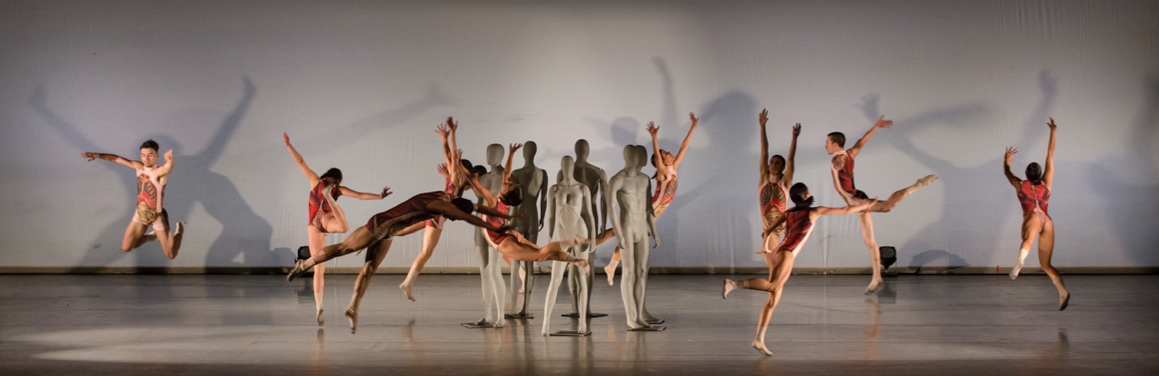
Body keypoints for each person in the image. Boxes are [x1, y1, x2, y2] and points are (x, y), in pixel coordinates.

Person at [287, 187, 512, 334]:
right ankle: (305, 264)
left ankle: (353, 308)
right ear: (451, 209)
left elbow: (474, 208)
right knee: (344, 248)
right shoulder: (442, 205)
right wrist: (494, 226)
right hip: (380, 225)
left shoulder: (448, 197)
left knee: (369, 269)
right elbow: (466, 215)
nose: (450, 219)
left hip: (389, 232)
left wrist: (506, 217)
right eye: (451, 216)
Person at [723, 183, 877, 356]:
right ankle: (734, 284)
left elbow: (767, 230)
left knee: (772, 302)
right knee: (773, 286)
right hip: (787, 254)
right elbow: (846, 210)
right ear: (806, 195)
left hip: (779, 252)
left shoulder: (789, 213)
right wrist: (867, 204)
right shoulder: (814, 212)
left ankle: (759, 339)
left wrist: (765, 247)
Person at [283, 132, 390, 325]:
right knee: (343, 227)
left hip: (314, 223)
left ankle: (319, 307)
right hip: (325, 219)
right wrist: (379, 197)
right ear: (336, 180)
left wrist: (289, 146)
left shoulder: (316, 181)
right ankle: (319, 308)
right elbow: (359, 195)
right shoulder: (336, 188)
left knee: (318, 268)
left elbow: (301, 163)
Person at [825, 115, 938, 294]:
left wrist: (839, 163)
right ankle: (877, 276)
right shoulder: (849, 154)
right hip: (856, 199)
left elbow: (846, 157)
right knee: (870, 241)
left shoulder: (839, 159)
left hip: (857, 201)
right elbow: (861, 142)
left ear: (835, 144)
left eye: (827, 142)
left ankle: (917, 185)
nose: (826, 145)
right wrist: (876, 126)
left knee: (887, 207)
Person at [602, 113, 700, 288]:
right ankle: (605, 259)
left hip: (653, 212)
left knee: (623, 234)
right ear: (662, 161)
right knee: (625, 235)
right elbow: (656, 153)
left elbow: (684, 146)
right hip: (649, 210)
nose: (671, 153)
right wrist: (654, 137)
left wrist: (693, 127)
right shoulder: (663, 172)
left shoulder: (673, 167)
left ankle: (605, 259)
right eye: (666, 153)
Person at [397, 118, 475, 302]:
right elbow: (452, 156)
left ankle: (378, 235)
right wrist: (451, 135)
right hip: (437, 216)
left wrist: (444, 140)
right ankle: (407, 283)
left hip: (432, 213)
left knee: (401, 232)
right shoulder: (456, 180)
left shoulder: (455, 181)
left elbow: (450, 157)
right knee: (426, 252)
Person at [82, 140, 185, 260]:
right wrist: (97, 155)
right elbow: (116, 159)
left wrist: (170, 160)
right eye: (143, 155)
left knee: (171, 254)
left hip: (156, 216)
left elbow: (167, 168)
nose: (146, 158)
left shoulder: (159, 172)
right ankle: (151, 237)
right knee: (127, 247)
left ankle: (180, 230)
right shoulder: (138, 167)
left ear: (157, 155)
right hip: (140, 214)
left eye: (150, 155)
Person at [1005, 117, 1069, 311]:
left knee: (1028, 239)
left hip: (1032, 216)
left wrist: (1005, 161)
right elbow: (1050, 155)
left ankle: (1020, 261)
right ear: (1040, 174)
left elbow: (1007, 172)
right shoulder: (1046, 183)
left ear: (1026, 173)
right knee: (1046, 264)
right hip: (1047, 221)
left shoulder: (1019, 185)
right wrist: (1053, 132)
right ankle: (1062, 292)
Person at [541, 155, 597, 335]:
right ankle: (545, 324)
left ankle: (582, 323)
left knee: (581, 278)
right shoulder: (554, 189)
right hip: (561, 234)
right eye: (563, 165)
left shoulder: (582, 188)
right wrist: (549, 238)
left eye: (569, 165)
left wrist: (593, 238)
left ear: (573, 167)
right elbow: (550, 215)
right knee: (555, 279)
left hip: (580, 232)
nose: (566, 168)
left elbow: (589, 214)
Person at [608, 145, 660, 330]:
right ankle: (630, 317)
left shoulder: (645, 179)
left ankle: (639, 315)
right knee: (629, 272)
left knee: (642, 272)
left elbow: (648, 208)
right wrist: (618, 233)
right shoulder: (617, 179)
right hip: (627, 228)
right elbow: (611, 210)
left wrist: (654, 231)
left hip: (641, 229)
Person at [757, 109, 800, 259]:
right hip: (767, 223)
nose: (774, 165)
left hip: (780, 225)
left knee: (773, 254)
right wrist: (762, 127)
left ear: (782, 167)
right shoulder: (764, 178)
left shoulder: (785, 181)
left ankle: (775, 279)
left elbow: (791, 159)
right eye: (772, 162)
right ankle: (774, 279)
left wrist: (794, 138)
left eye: (778, 163)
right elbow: (764, 151)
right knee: (770, 257)